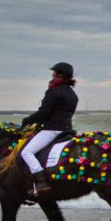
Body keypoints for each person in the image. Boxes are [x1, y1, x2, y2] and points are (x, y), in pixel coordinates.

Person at [21, 62, 79, 197]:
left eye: (53, 72)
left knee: (26, 152)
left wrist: (27, 120)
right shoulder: (73, 94)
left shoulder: (54, 91)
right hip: (66, 129)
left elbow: (43, 113)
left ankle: (40, 181)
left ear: (59, 74)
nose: (52, 75)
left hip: (52, 130)